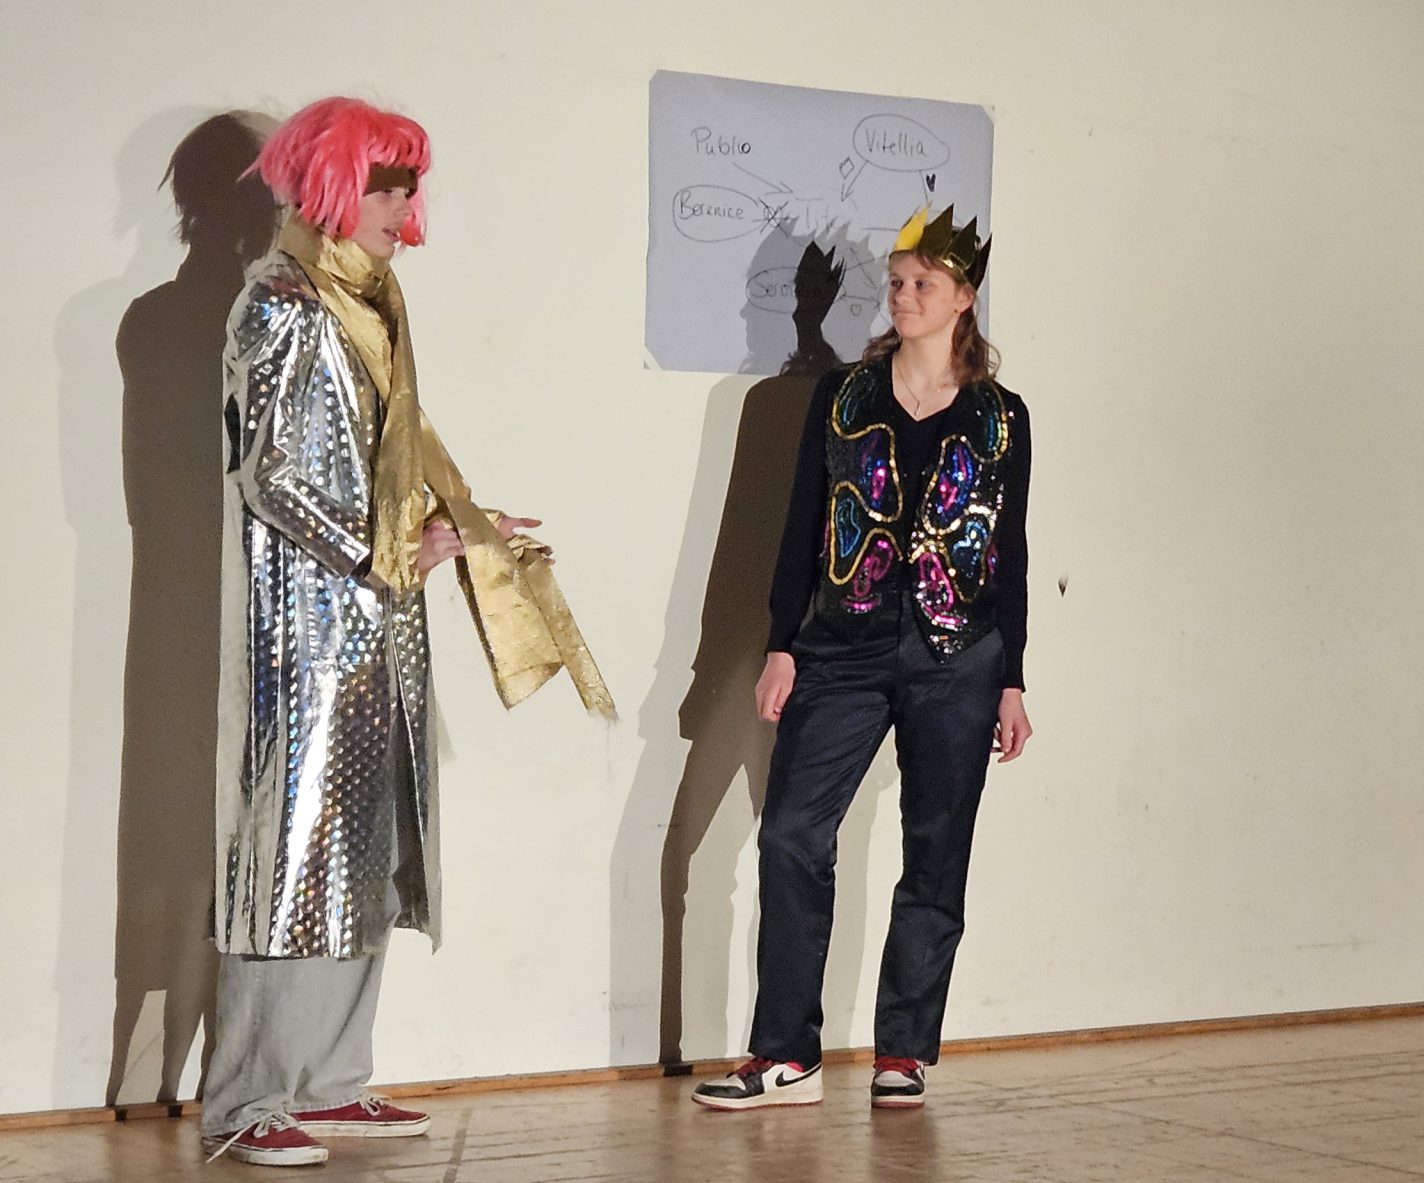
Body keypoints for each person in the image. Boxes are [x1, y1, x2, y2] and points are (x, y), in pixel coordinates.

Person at [205, 97, 612, 1165]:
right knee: (289, 859)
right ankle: (248, 1099)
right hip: (303, 635)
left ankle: (331, 1083)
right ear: (331, 184)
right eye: (383, 185)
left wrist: (456, 526)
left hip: (377, 623)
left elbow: (381, 461)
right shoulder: (282, 302)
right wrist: (390, 549)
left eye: (406, 186)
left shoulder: (371, 301)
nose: (401, 207)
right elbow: (274, 477)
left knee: (370, 851)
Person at [693, 206, 1033, 1112]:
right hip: (842, 643)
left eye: (924, 283)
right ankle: (786, 1054)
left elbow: (1009, 552)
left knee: (937, 850)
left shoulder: (1003, 418)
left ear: (963, 298)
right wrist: (781, 643)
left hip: (960, 655)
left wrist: (1013, 677)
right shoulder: (844, 397)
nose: (904, 296)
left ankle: (903, 1050)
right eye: (897, 282)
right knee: (792, 833)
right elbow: (800, 525)